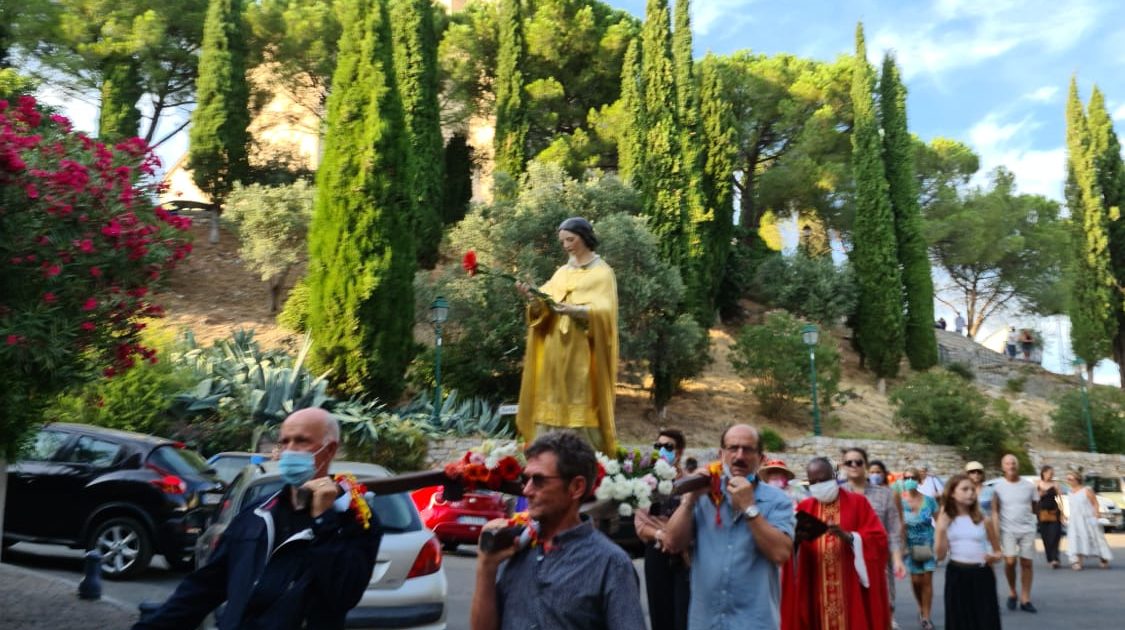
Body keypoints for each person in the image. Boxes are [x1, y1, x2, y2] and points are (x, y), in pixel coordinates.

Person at [134, 409, 382, 630]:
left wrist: (323, 519)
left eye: (301, 441)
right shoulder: (257, 512)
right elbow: (206, 586)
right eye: (284, 442)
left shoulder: (354, 523)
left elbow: (344, 595)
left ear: (329, 450)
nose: (289, 450)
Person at [471, 431, 645, 630]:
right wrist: (486, 567)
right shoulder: (511, 547)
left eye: (539, 480)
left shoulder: (610, 563)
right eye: (526, 479)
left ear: (576, 487)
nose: (526, 490)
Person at [663, 424, 795, 630]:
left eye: (748, 449)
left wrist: (749, 508)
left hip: (755, 623)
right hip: (706, 622)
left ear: (761, 458)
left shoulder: (778, 500)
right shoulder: (702, 495)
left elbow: (780, 554)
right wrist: (689, 501)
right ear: (721, 454)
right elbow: (672, 543)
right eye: (733, 448)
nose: (739, 456)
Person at [516, 216, 619, 453]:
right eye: (563, 241)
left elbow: (606, 312)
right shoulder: (562, 272)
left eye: (570, 240)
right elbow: (544, 306)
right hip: (554, 347)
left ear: (584, 237)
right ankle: (545, 451)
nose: (566, 245)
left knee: (578, 393)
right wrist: (532, 297)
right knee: (551, 395)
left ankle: (581, 453)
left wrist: (577, 310)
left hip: (581, 349)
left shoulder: (602, 273)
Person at [781, 457, 891, 630]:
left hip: (850, 586)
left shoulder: (858, 503)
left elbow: (879, 539)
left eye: (823, 480)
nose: (818, 485)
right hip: (815, 586)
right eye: (813, 482)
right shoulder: (805, 508)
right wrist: (796, 543)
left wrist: (850, 537)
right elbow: (788, 550)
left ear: (834, 476)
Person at [841, 448, 906, 625]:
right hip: (847, 561)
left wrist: (897, 559)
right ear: (843, 466)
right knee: (852, 611)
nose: (854, 465)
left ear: (866, 465)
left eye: (858, 462)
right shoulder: (837, 494)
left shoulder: (885, 494)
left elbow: (893, 530)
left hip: (878, 561)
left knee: (882, 608)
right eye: (849, 462)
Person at [634, 429, 690, 630]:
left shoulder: (690, 483)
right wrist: (662, 535)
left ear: (679, 452)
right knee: (660, 611)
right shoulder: (646, 483)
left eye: (668, 447)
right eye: (658, 446)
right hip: (657, 551)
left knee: (684, 612)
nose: (662, 450)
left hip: (684, 554)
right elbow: (641, 524)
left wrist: (674, 535)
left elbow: (694, 516)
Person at [934, 473, 1003, 630]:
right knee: (959, 621)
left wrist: (993, 557)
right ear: (952, 493)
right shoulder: (945, 519)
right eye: (965, 489)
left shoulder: (983, 519)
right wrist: (941, 529)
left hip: (982, 574)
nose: (970, 493)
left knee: (985, 620)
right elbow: (940, 555)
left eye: (972, 489)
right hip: (957, 574)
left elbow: (998, 552)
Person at [992, 453, 1038, 613]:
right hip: (1007, 529)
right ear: (1002, 467)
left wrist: (1033, 522)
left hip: (1027, 529)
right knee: (1010, 562)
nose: (1011, 466)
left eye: (1013, 463)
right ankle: (1012, 591)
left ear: (1017, 466)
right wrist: (995, 533)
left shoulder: (1029, 486)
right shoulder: (998, 487)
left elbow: (1035, 506)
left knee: (1027, 563)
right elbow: (995, 511)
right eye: (1007, 463)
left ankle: (1025, 598)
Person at [900, 466, 939, 630]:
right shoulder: (900, 502)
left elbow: (940, 521)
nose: (910, 481)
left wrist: (942, 542)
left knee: (927, 579)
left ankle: (926, 617)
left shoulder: (929, 500)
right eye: (906, 478)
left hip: (928, 543)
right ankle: (921, 606)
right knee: (916, 581)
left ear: (919, 481)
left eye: (913, 478)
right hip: (910, 545)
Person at [1062, 470, 1113, 570]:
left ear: (1077, 480)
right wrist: (1066, 516)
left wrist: (1096, 514)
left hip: (1088, 519)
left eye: (1070, 479)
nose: (1068, 481)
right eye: (1067, 479)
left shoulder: (1086, 490)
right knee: (1076, 539)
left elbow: (1095, 503)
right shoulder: (1070, 492)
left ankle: (1103, 558)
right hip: (1075, 520)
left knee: (1095, 539)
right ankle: (1077, 562)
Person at [1036, 465, 1063, 568]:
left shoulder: (1055, 484)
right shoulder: (1037, 484)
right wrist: (1039, 495)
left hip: (1054, 512)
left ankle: (1055, 558)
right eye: (1049, 473)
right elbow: (1033, 499)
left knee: (1055, 535)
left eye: (1052, 474)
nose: (1051, 475)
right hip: (1042, 513)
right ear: (1043, 473)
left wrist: (1063, 513)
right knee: (1045, 536)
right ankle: (1050, 558)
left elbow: (1060, 499)